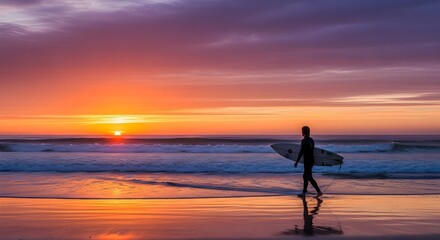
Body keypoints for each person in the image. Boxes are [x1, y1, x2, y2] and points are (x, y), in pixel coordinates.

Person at [294, 126, 323, 198]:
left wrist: (297, 161)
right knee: (305, 176)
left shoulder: (304, 141)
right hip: (311, 160)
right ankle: (304, 192)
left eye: (302, 131)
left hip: (307, 161)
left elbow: (301, 152)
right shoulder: (311, 140)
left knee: (309, 177)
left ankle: (319, 192)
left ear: (303, 132)